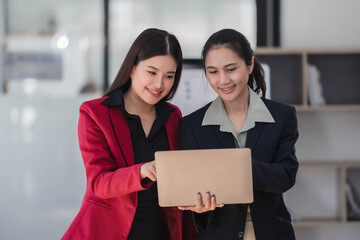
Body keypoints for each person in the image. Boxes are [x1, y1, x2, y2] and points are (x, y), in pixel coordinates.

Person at [62, 28, 184, 240]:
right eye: (152, 72)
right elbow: (98, 183)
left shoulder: (173, 116)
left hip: (157, 232)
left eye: (169, 76)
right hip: (105, 232)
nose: (159, 84)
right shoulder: (95, 113)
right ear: (132, 68)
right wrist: (142, 171)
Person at [178, 29, 299, 240]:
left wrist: (238, 165)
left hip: (271, 233)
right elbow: (193, 188)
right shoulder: (191, 126)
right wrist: (198, 206)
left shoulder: (282, 116)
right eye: (213, 71)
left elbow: (286, 176)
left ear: (250, 64)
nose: (223, 80)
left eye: (231, 69)